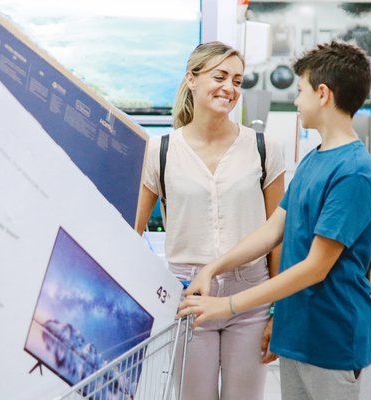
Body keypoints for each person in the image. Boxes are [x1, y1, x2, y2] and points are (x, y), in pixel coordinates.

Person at [177, 41, 371, 400]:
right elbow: (274, 230)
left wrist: (227, 306)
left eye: (300, 91)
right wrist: (214, 268)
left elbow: (315, 268)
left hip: (334, 340)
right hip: (299, 335)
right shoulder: (315, 159)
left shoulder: (354, 172)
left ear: (322, 94)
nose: (295, 100)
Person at [134, 41, 286, 400]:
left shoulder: (264, 148)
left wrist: (279, 309)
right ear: (192, 79)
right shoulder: (161, 150)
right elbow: (132, 229)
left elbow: (277, 235)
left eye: (237, 80)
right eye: (220, 76)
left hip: (251, 294)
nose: (230, 88)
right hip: (187, 297)